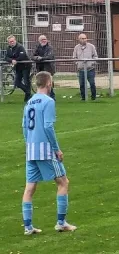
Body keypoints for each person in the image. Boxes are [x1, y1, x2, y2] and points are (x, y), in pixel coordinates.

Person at [21, 71, 77, 235]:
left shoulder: (29, 102)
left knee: (30, 187)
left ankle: (28, 227)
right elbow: (47, 126)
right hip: (45, 150)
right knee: (63, 182)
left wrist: (28, 143)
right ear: (49, 83)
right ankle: (61, 223)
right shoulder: (48, 102)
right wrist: (56, 149)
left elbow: (24, 127)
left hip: (30, 150)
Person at [4, 35, 32, 102]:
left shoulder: (20, 47)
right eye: (10, 42)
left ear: (15, 40)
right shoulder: (8, 48)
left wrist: (15, 60)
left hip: (25, 66)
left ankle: (27, 97)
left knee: (26, 81)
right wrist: (12, 60)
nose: (12, 42)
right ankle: (28, 93)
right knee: (17, 83)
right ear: (8, 42)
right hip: (18, 67)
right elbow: (6, 57)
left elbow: (22, 56)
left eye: (12, 41)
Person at [72, 34, 98, 101]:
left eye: (85, 38)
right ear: (79, 39)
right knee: (82, 84)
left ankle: (93, 98)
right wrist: (78, 63)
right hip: (81, 70)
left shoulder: (91, 46)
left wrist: (92, 63)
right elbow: (74, 57)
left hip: (90, 69)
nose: (84, 40)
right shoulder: (76, 47)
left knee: (92, 83)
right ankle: (83, 98)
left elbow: (95, 56)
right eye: (82, 38)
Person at [32, 35, 56, 100]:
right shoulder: (37, 47)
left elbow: (49, 56)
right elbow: (33, 56)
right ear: (39, 41)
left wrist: (41, 58)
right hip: (39, 68)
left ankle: (52, 97)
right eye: (42, 39)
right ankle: (42, 97)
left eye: (45, 39)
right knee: (40, 83)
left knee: (49, 83)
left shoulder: (50, 47)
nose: (44, 40)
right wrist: (37, 58)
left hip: (48, 68)